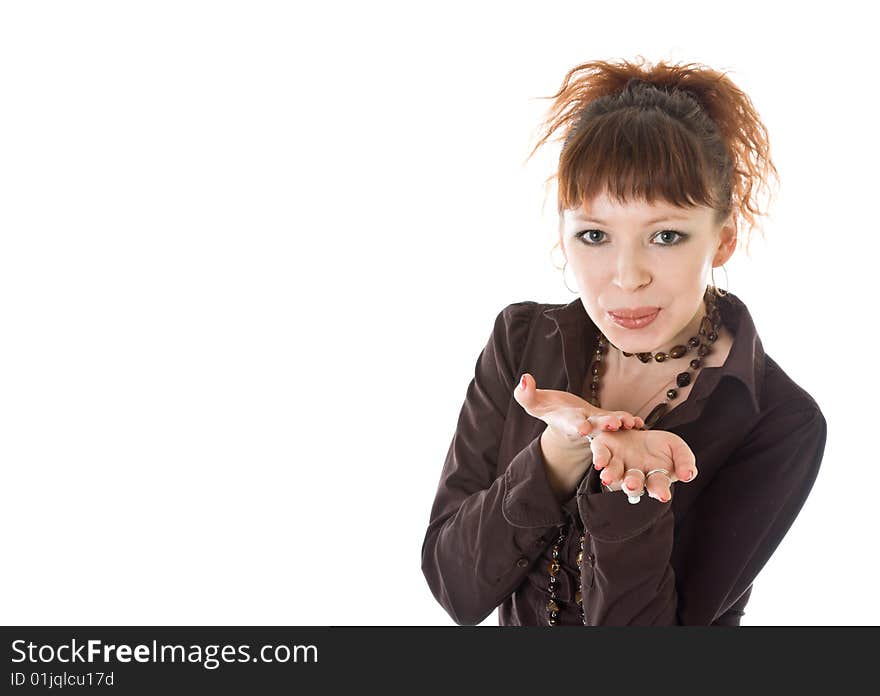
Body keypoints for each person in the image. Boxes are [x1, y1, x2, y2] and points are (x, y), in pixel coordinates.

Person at [420, 57, 827, 626]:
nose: (627, 275)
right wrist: (555, 456)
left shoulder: (777, 419)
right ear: (562, 238)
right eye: (594, 235)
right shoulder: (522, 343)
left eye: (665, 235)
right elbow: (455, 588)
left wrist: (630, 493)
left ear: (724, 240)